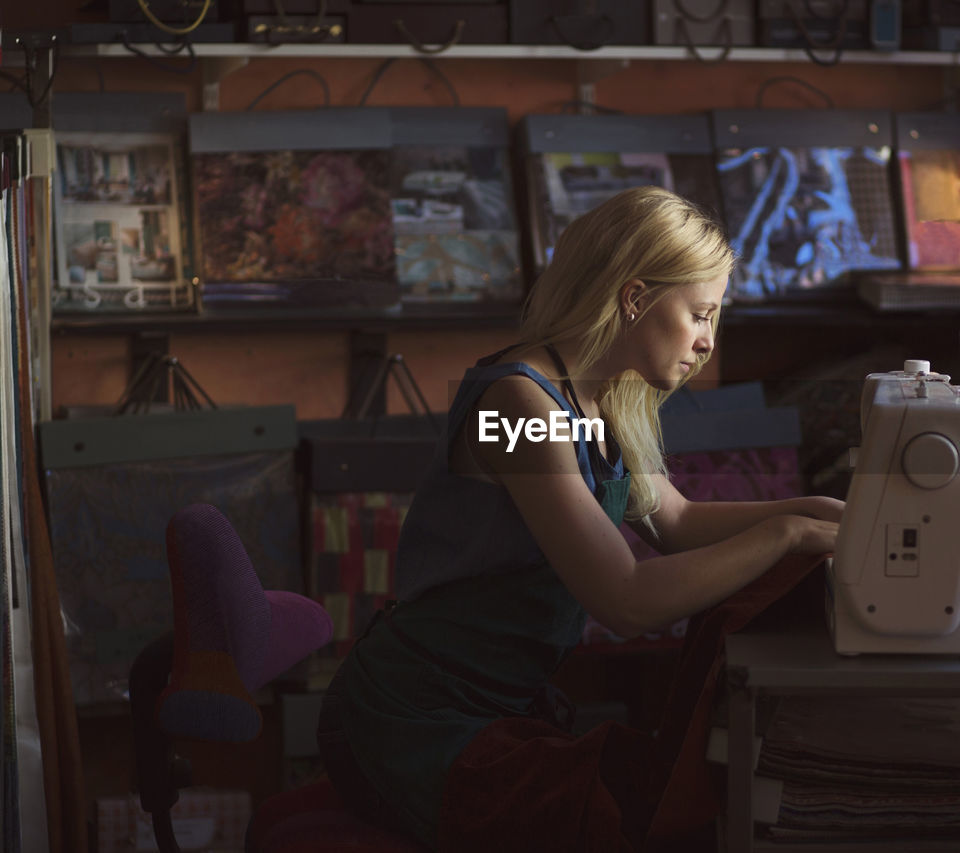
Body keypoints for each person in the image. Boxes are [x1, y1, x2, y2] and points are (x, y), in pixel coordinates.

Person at [316, 185, 843, 848]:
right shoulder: (512, 406)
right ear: (635, 298)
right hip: (409, 720)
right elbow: (622, 595)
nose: (709, 342)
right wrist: (789, 533)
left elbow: (676, 521)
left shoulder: (604, 398)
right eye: (701, 315)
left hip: (493, 707)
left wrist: (818, 509)